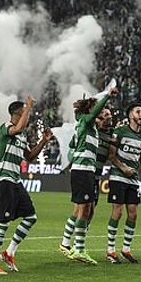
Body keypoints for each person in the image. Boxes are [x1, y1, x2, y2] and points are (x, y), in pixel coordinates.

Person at [0, 97, 53, 275]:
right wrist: (28, 106)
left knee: (31, 217)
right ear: (17, 113)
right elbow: (17, 128)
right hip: (3, 180)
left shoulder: (22, 136)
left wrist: (44, 141)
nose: (28, 116)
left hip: (15, 181)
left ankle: (9, 253)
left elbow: (29, 157)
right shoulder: (6, 127)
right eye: (25, 112)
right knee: (4, 222)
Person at [59, 87, 117, 265]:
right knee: (83, 209)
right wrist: (107, 96)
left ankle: (77, 247)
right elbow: (92, 116)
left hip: (88, 171)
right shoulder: (85, 120)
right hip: (82, 170)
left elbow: (72, 143)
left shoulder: (87, 126)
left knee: (88, 209)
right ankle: (78, 249)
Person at [106, 102, 141, 264]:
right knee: (118, 211)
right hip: (118, 176)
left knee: (133, 214)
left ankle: (126, 249)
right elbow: (111, 155)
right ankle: (110, 250)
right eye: (138, 111)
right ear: (130, 115)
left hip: (133, 179)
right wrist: (123, 168)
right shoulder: (120, 131)